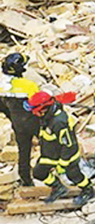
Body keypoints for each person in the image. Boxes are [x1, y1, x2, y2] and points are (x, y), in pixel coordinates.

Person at [26, 92, 94, 205]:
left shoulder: (59, 121)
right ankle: (58, 187)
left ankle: (88, 190)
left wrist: (64, 161)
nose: (34, 114)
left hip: (67, 154)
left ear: (43, 108)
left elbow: (68, 144)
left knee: (74, 175)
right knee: (38, 172)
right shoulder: (47, 116)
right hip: (50, 153)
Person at [0, 53, 39, 186]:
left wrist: (13, 118)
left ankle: (26, 179)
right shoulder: (29, 85)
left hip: (18, 124)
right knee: (48, 145)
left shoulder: (2, 86)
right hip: (33, 121)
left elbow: (3, 107)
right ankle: (45, 172)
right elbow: (38, 105)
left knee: (24, 151)